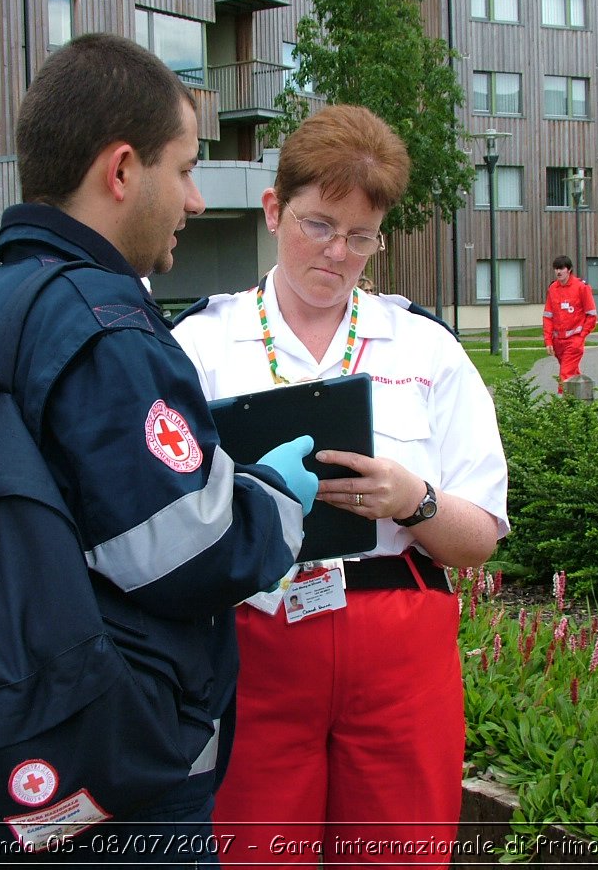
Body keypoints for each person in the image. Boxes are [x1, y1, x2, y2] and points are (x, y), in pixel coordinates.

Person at [0, 33, 315, 864]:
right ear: (122, 171)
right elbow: (183, 549)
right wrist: (270, 495)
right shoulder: (105, 325)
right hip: (114, 778)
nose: (195, 201)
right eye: (187, 167)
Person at [173, 104, 509, 866]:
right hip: (254, 641)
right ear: (272, 210)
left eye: (361, 238)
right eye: (318, 225)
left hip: (398, 644)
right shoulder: (200, 345)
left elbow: (480, 541)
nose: (337, 254)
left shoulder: (426, 349)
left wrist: (411, 500)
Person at [542, 255, 597, 392]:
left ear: (569, 270)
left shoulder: (581, 288)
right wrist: (548, 341)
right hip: (558, 341)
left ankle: (563, 406)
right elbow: (548, 317)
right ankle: (582, 401)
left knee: (565, 375)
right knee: (572, 374)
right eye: (556, 269)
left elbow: (591, 315)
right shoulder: (553, 289)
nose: (558, 272)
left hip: (574, 341)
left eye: (561, 268)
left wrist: (581, 336)